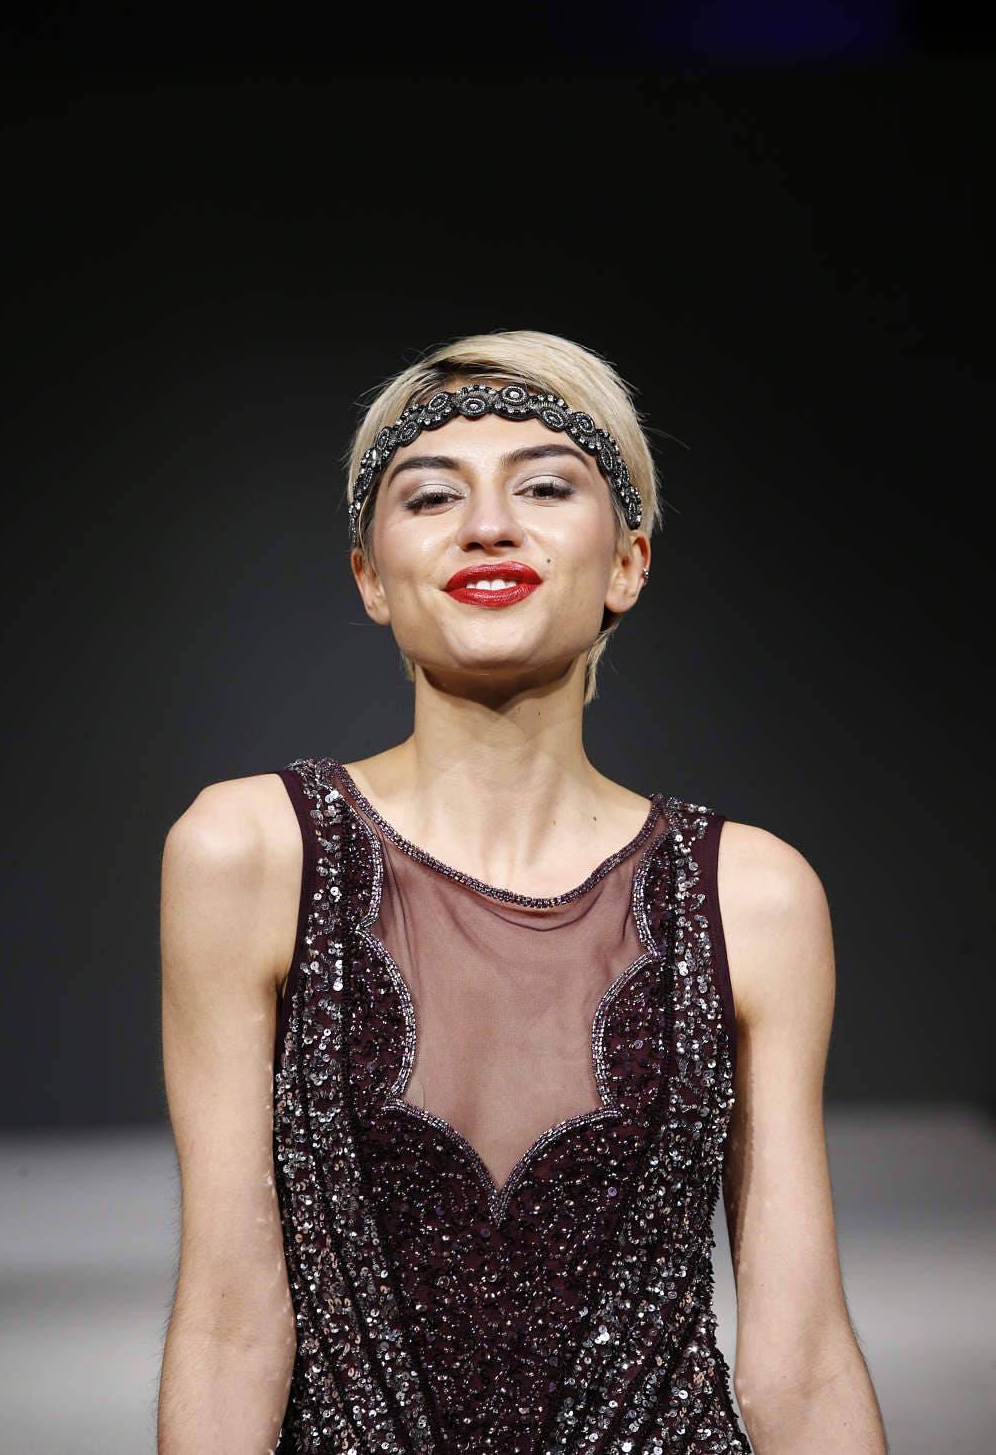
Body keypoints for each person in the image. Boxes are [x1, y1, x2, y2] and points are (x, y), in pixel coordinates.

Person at [156, 330, 889, 1454]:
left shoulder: (751, 894)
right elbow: (226, 1322)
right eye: (430, 495)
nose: (487, 526)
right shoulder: (251, 854)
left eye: (544, 486)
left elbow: (801, 1357)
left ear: (629, 564)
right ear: (369, 579)